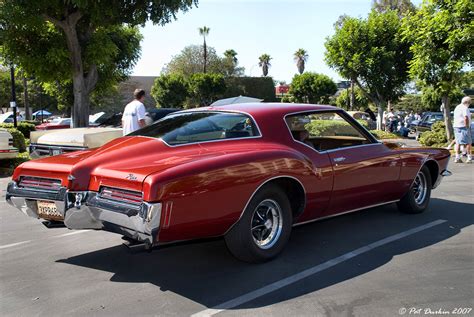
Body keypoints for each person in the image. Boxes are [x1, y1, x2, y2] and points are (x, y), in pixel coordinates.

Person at [453, 96, 472, 163]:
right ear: (467, 102)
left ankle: (457, 157)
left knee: (458, 142)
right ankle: (469, 158)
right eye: (469, 102)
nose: (470, 104)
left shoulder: (457, 107)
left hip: (456, 126)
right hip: (463, 127)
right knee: (468, 142)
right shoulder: (465, 108)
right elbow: (465, 117)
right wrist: (467, 126)